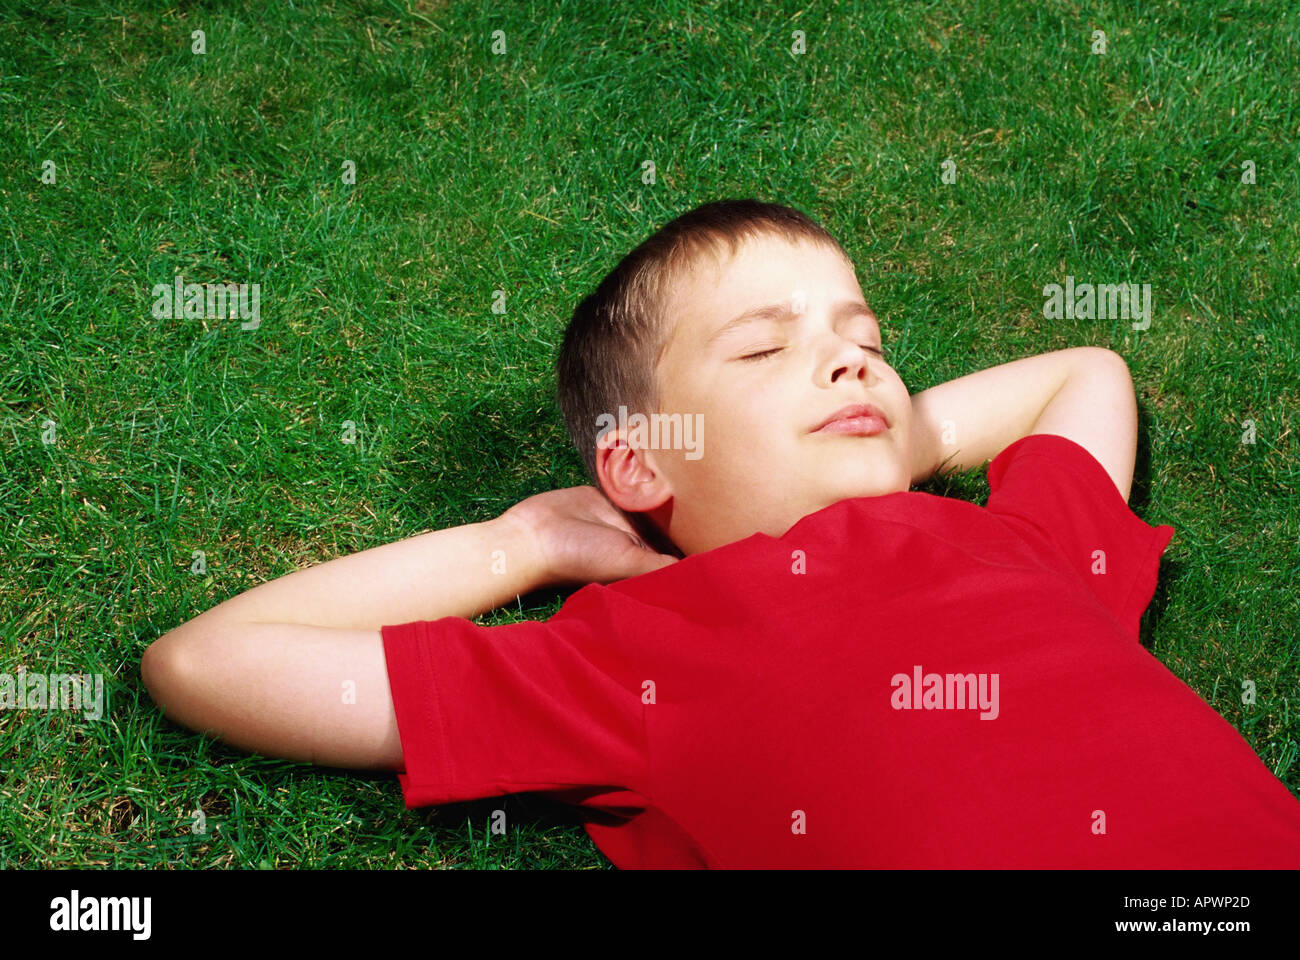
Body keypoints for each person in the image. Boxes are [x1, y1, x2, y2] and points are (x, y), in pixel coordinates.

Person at [141, 199, 1300, 867]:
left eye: (866, 339)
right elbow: (205, 661)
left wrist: (890, 439)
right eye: (761, 349)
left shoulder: (1020, 545)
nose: (852, 356)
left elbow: (1086, 371)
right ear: (638, 464)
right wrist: (521, 544)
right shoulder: (640, 650)